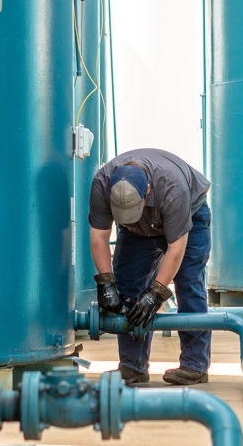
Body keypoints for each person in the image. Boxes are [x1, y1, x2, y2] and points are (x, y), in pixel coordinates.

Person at [88, 148, 212, 386]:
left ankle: (194, 365)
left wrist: (156, 293)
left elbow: (176, 248)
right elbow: (99, 237)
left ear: (147, 190)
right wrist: (106, 283)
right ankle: (132, 366)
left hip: (189, 217)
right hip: (136, 230)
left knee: (188, 282)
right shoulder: (101, 184)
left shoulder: (172, 189)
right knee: (128, 284)